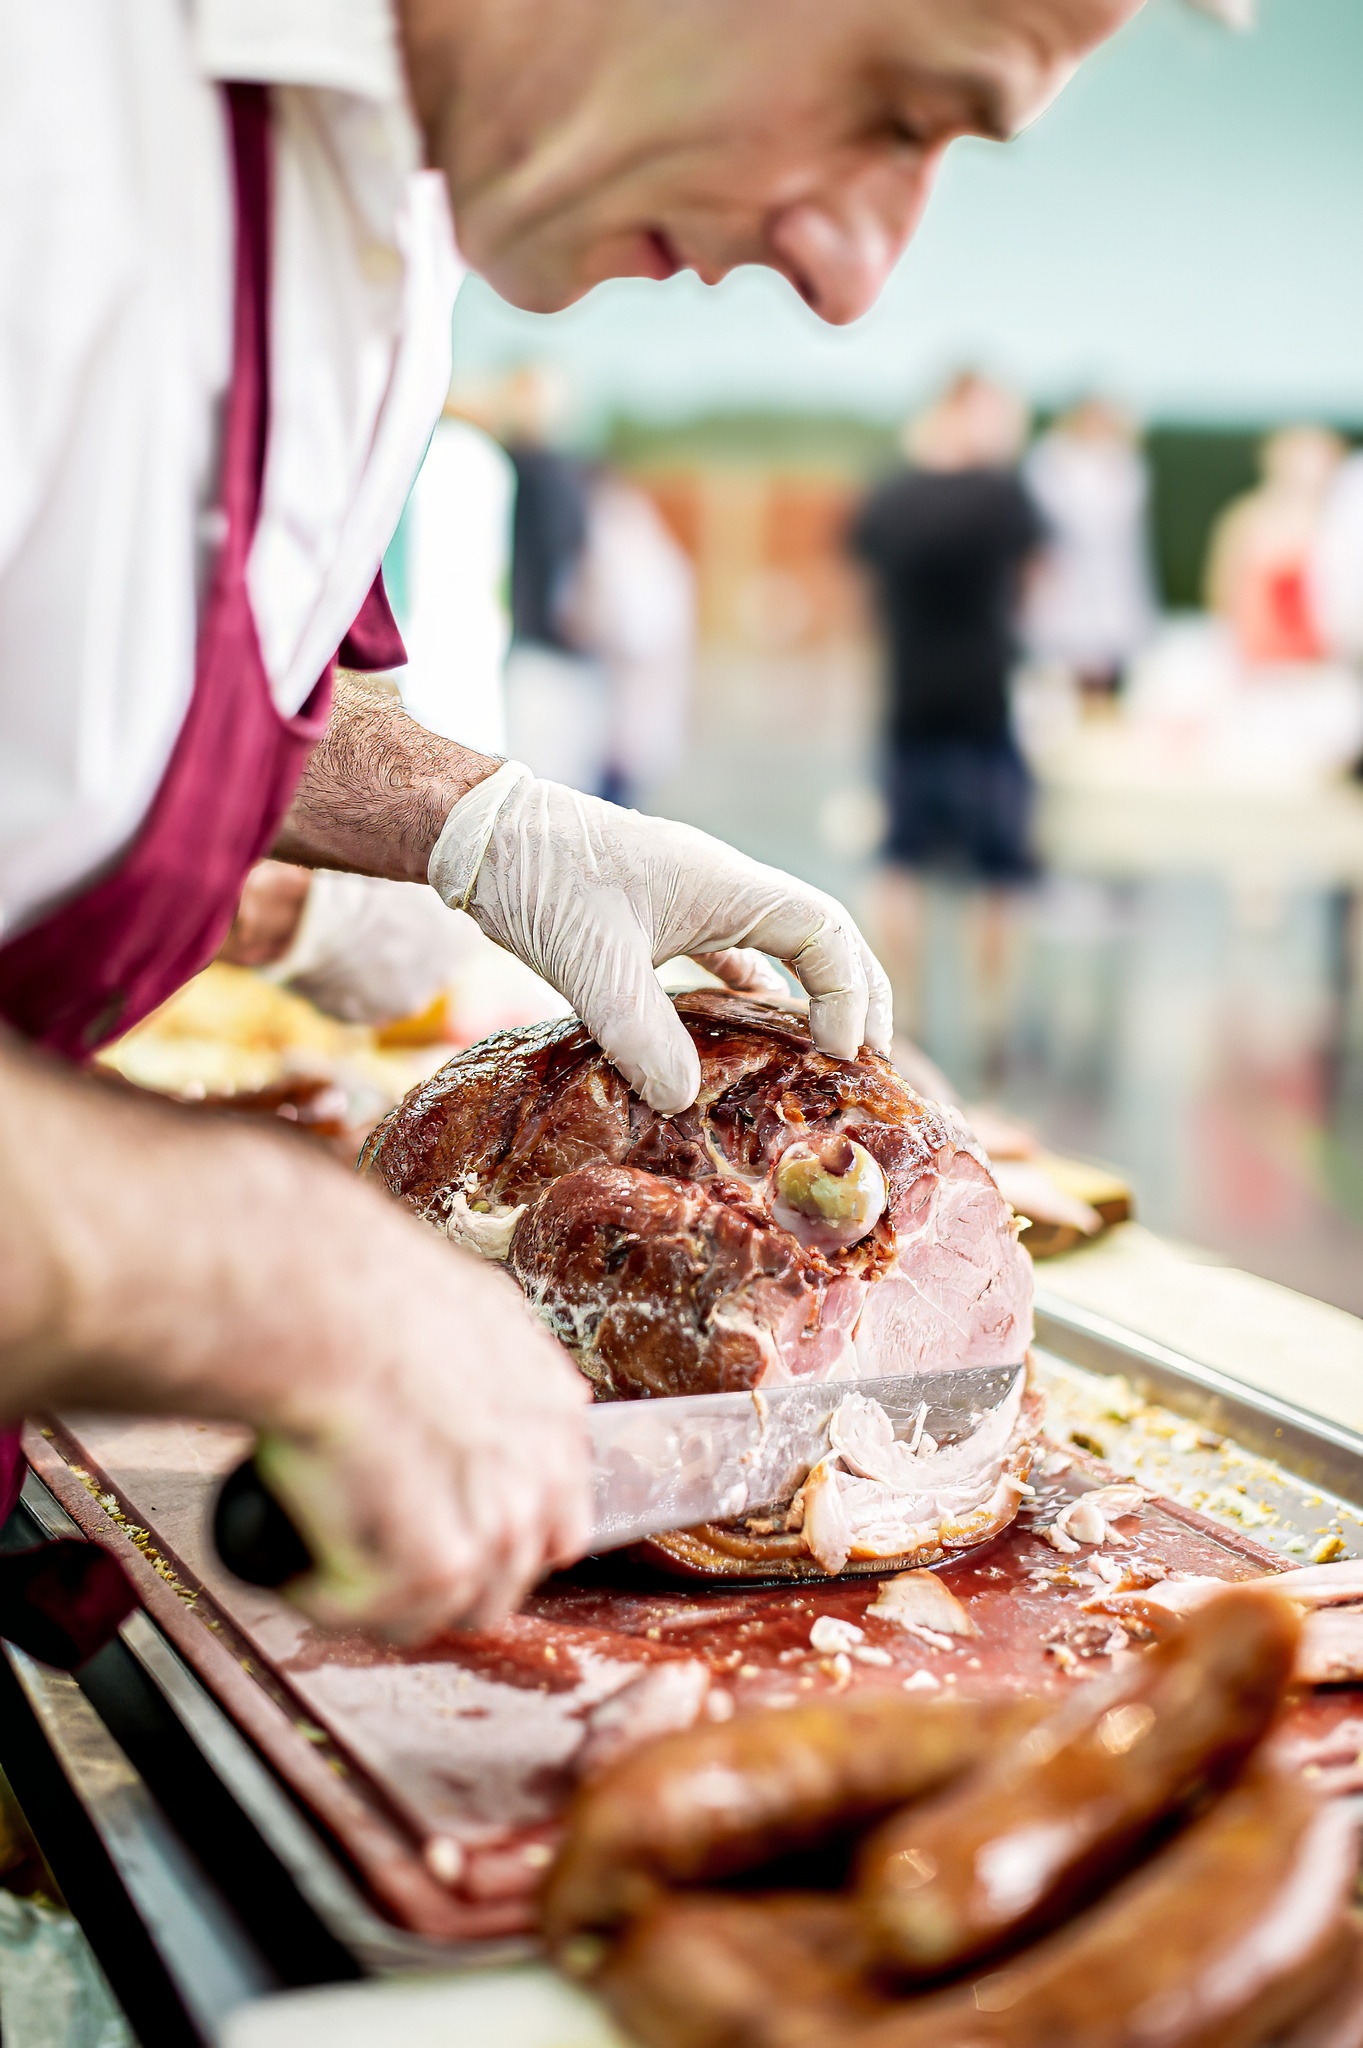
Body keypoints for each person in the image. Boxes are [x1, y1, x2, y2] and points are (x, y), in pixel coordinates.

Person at [0, 0, 1139, 1649]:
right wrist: (271, 1263)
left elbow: (135, 652)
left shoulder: (386, 212)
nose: (854, 276)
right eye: (895, 112)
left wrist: (474, 822)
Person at [852, 375, 1044, 1058]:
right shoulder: (1001, 496)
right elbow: (1034, 584)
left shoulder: (889, 496)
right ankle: (995, 1024)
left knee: (898, 862)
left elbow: (866, 586)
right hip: (985, 699)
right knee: (1000, 870)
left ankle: (901, 1021)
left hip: (909, 697)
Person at [1022, 398, 1156, 698]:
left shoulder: (1122, 463)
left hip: (1110, 588)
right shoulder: (1055, 460)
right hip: (1067, 588)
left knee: (1109, 667)